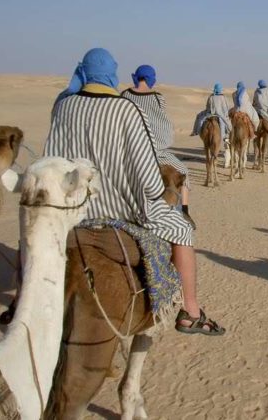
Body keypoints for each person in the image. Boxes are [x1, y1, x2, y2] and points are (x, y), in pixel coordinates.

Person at [48, 48, 224, 335]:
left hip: (73, 209)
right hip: (121, 209)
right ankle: (191, 311)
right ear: (112, 75)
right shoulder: (126, 109)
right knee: (182, 229)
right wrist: (163, 196)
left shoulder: (63, 106)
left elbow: (51, 158)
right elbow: (148, 177)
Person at [122, 65, 194, 227]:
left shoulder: (125, 95)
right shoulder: (157, 97)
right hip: (156, 151)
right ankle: (184, 211)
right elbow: (161, 120)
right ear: (150, 79)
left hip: (130, 150)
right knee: (184, 172)